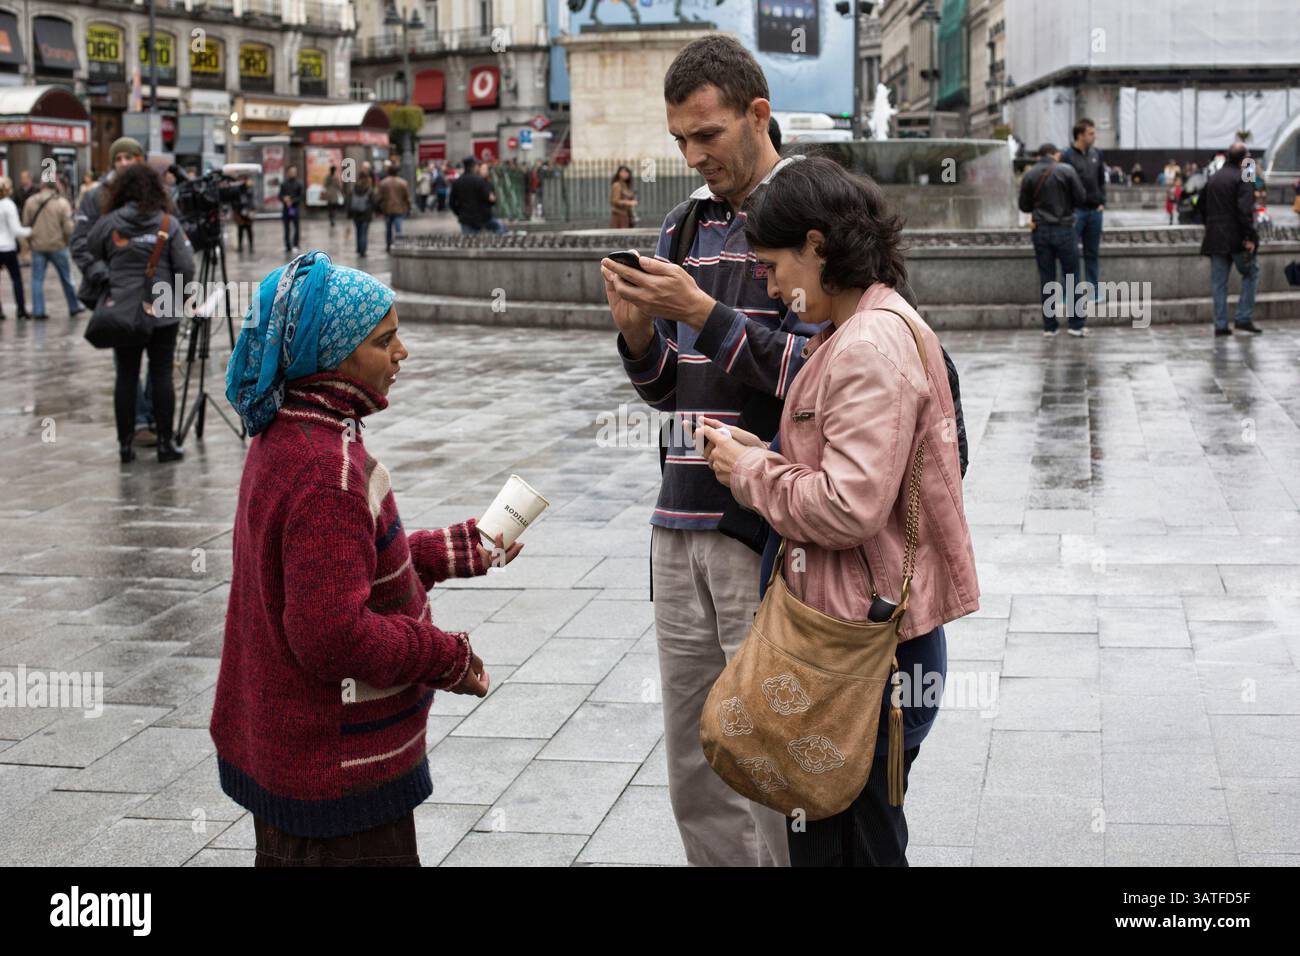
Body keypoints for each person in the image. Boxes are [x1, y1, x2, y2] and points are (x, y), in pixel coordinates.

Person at [694, 154, 979, 866]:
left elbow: (849, 507)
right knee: (852, 840)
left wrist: (750, 469)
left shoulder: (868, 346)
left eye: (772, 265)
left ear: (816, 246)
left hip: (864, 659)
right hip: (869, 645)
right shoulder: (873, 325)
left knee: (851, 847)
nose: (770, 282)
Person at [599, 34, 835, 868]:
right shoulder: (681, 225)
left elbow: (817, 379)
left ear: (757, 114)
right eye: (680, 142)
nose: (694, 157)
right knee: (694, 757)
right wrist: (638, 337)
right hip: (678, 524)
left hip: (761, 529)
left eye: (708, 135)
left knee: (768, 750)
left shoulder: (812, 212)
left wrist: (704, 313)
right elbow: (671, 393)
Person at [212, 250, 523, 866]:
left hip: (292, 761)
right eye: (385, 341)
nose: (401, 353)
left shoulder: (290, 431)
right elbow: (329, 633)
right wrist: (446, 657)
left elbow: (327, 573)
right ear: (334, 356)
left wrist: (451, 551)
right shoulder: (330, 470)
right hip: (337, 777)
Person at [85, 162, 195, 463]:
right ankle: (164, 444)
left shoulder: (110, 223)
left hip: (123, 310)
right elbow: (186, 266)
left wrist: (102, 275)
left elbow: (86, 249)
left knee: (126, 375)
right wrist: (183, 297)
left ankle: (125, 445)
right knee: (161, 375)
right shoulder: (167, 223)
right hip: (163, 308)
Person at [71, 136, 156, 444]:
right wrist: (102, 274)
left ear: (140, 160)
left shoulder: (154, 193)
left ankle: (155, 414)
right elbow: (80, 242)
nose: (123, 163)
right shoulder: (96, 197)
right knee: (126, 359)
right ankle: (139, 421)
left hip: (153, 290)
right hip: (117, 291)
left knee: (160, 358)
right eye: (118, 158)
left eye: (129, 158)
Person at [1018, 143, 1086, 336]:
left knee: (1047, 277)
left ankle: (1050, 327)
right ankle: (1076, 325)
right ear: (1055, 154)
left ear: (1039, 156)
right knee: (1072, 276)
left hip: (1041, 231)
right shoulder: (1066, 170)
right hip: (1064, 229)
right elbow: (1081, 198)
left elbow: (1024, 206)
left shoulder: (1030, 175)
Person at [1200, 142, 1262, 336]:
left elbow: (1202, 206)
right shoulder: (1243, 177)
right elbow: (1246, 210)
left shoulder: (1215, 177)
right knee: (1251, 272)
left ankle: (1220, 325)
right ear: (1243, 159)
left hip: (1215, 238)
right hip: (1236, 239)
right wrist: (1249, 237)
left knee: (1219, 282)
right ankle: (1243, 318)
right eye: (1248, 156)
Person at [22, 176, 82, 320]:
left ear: (41, 185)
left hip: (38, 246)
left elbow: (25, 225)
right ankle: (73, 306)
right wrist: (66, 241)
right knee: (67, 278)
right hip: (58, 245)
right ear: (56, 186)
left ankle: (38, 310)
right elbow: (68, 228)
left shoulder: (30, 202)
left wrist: (30, 242)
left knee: (37, 280)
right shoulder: (62, 203)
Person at [1061, 118, 1106, 305]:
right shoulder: (1067, 156)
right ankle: (1068, 295)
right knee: (1070, 255)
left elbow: (1101, 180)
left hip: (1095, 211)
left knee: (1092, 254)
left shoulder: (1097, 154)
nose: (1094, 136)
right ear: (1080, 135)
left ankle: (1094, 292)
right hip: (1076, 212)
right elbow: (1063, 184)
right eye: (1091, 133)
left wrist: (1102, 202)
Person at [0, 176, 32, 320]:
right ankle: (20, 309)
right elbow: (16, 229)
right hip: (8, 247)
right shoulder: (8, 205)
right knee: (16, 279)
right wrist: (31, 231)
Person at [449, 157, 505, 235]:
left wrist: (459, 213)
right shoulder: (479, 181)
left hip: (465, 219)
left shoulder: (457, 182)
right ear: (474, 167)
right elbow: (488, 199)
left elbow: (451, 203)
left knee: (469, 243)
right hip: (479, 218)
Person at [377, 163, 411, 253]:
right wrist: (408, 206)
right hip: (399, 209)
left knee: (388, 229)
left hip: (387, 209)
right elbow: (407, 197)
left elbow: (379, 197)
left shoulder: (383, 183)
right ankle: (399, 245)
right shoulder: (403, 182)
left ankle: (389, 245)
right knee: (398, 228)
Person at [345, 164, 377, 257]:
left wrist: (349, 214)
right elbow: (373, 201)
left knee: (358, 231)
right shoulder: (369, 188)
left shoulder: (354, 187)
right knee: (364, 232)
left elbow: (349, 200)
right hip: (366, 213)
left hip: (355, 213)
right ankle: (363, 251)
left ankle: (359, 249)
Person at [279, 165, 303, 253]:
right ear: (288, 172)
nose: (292, 173)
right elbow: (280, 195)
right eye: (291, 171)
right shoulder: (284, 184)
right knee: (286, 228)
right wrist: (284, 199)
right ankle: (287, 245)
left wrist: (292, 201)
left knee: (296, 227)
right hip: (286, 209)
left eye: (294, 172)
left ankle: (296, 245)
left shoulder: (299, 183)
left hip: (294, 208)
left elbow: (301, 197)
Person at [233, 174, 256, 254]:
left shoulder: (249, 188)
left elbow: (251, 199)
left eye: (244, 179)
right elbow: (235, 201)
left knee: (249, 229)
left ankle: (251, 246)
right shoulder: (237, 190)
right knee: (240, 230)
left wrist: (252, 210)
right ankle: (240, 246)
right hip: (240, 212)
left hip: (248, 212)